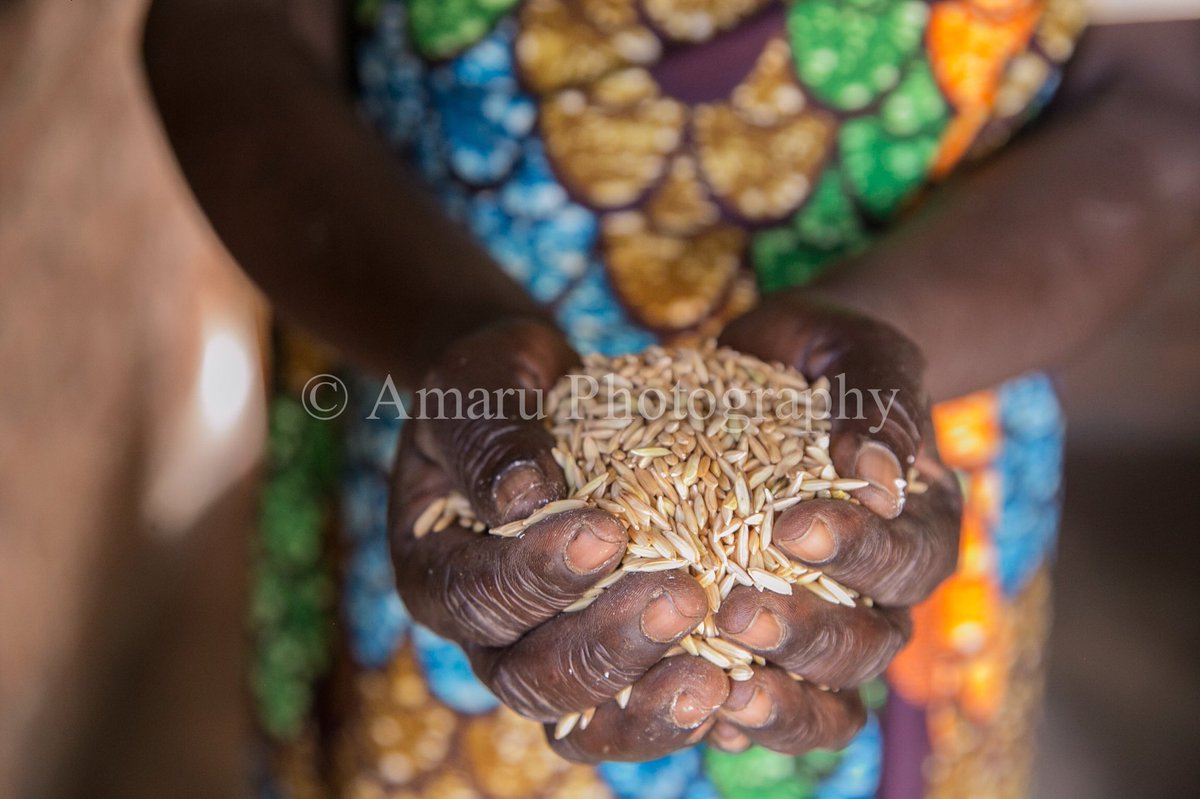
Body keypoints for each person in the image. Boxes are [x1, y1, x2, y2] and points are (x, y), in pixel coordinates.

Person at [144, 1, 1200, 797]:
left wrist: (895, 339)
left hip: (901, 437)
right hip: (439, 427)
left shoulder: (862, 468)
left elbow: (1161, 97)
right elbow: (219, 29)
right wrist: (441, 331)